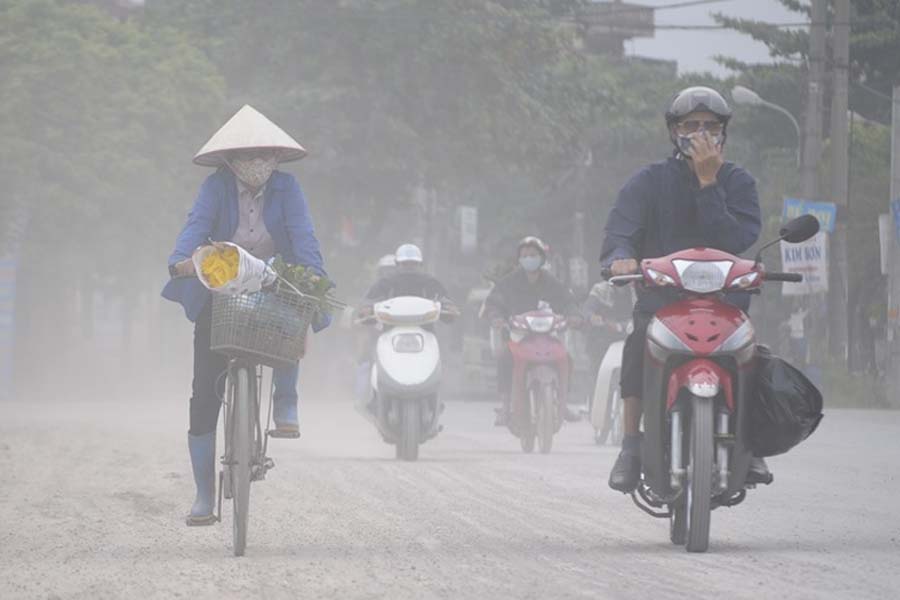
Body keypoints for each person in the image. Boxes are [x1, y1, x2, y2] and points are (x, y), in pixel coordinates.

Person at [162, 105, 328, 525]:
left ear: (275, 159)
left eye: (265, 156)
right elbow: (195, 226)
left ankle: (286, 400)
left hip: (273, 282)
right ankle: (204, 495)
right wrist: (183, 259)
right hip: (221, 283)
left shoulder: (288, 189)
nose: (258, 164)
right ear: (231, 160)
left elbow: (304, 236)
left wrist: (311, 275)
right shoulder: (213, 189)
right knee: (204, 391)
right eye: (248, 156)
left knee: (293, 312)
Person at [600, 86, 770, 493]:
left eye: (710, 126)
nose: (700, 133)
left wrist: (709, 184)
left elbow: (736, 239)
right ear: (674, 131)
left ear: (724, 133)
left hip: (725, 306)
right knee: (637, 343)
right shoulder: (647, 181)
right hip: (662, 303)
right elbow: (619, 235)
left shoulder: (738, 182)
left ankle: (754, 442)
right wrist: (620, 259)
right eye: (690, 125)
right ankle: (630, 445)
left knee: (754, 354)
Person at [482, 236, 581, 426]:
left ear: (542, 258)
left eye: (533, 255)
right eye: (525, 255)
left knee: (566, 359)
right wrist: (496, 317)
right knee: (505, 359)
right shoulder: (508, 282)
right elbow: (494, 302)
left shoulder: (552, 282)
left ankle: (563, 402)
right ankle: (505, 406)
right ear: (519, 259)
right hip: (517, 335)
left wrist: (574, 315)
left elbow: (568, 302)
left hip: (548, 336)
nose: (529, 258)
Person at [363, 244, 451, 304]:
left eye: (413, 263)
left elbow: (444, 299)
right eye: (405, 263)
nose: (409, 267)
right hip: (391, 327)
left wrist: (447, 305)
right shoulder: (386, 281)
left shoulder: (430, 282)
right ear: (397, 264)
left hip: (425, 328)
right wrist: (367, 308)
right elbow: (369, 301)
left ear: (420, 264)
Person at [583, 281, 633, 382]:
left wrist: (622, 326)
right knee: (597, 369)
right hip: (602, 337)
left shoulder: (637, 289)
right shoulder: (600, 289)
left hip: (630, 337)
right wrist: (592, 317)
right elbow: (587, 309)